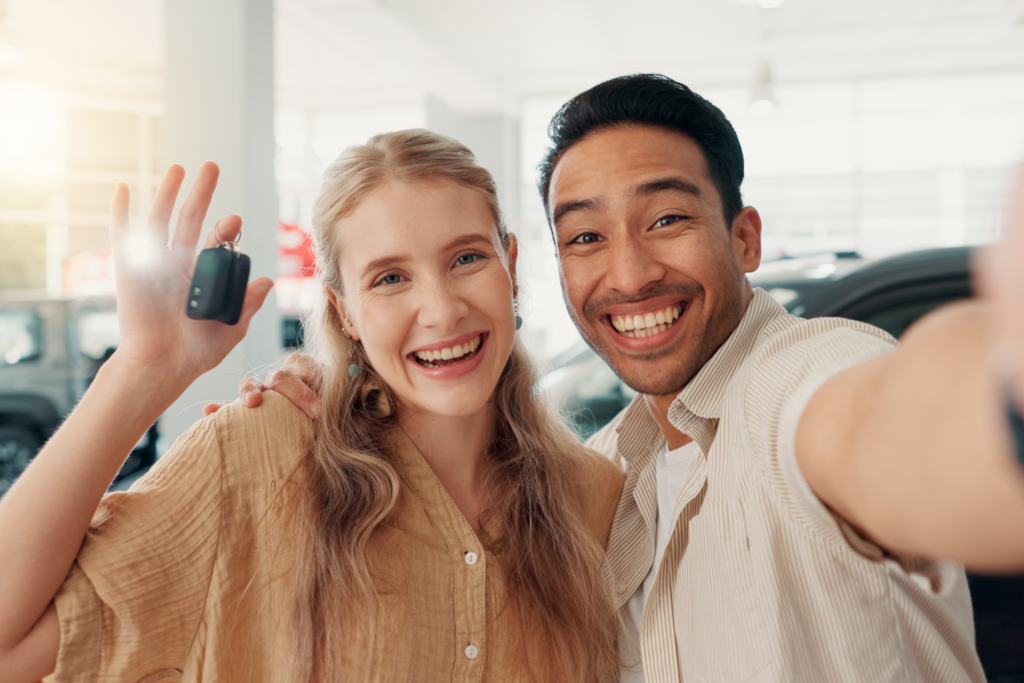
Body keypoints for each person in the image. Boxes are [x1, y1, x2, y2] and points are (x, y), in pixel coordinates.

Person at [242, 75, 1024, 683]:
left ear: (745, 237)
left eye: (667, 220)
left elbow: (893, 425)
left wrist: (1003, 400)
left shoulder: (799, 383)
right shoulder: (602, 479)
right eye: (586, 235)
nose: (629, 273)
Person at [0, 130, 626, 683]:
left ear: (511, 267)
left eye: (466, 258)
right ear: (343, 311)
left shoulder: (593, 495)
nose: (441, 310)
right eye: (389, 278)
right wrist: (141, 371)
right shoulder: (262, 453)